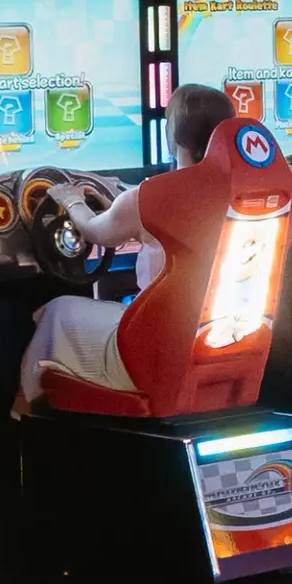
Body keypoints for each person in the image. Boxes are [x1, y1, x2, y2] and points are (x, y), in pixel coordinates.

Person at [18, 82, 235, 407]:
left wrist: (70, 199)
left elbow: (95, 232)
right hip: (227, 343)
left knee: (56, 310)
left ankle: (25, 416)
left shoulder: (149, 197)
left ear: (174, 136)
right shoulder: (249, 196)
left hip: (157, 351)